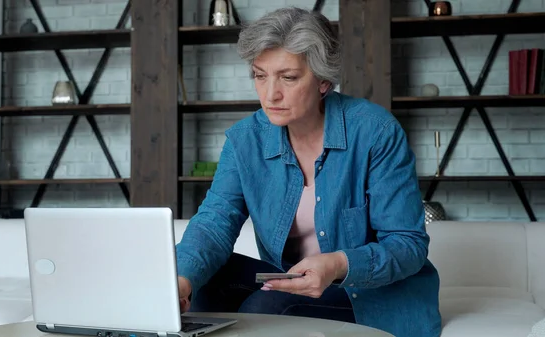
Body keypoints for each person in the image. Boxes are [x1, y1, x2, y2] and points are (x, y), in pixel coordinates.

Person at [174, 6, 442, 337]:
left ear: (323, 80)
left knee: (264, 308)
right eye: (260, 75)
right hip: (292, 281)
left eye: (288, 77)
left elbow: (408, 244)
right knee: (199, 283)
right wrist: (181, 280)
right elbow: (214, 224)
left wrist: (338, 264)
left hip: (366, 293)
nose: (270, 94)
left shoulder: (374, 132)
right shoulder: (245, 140)